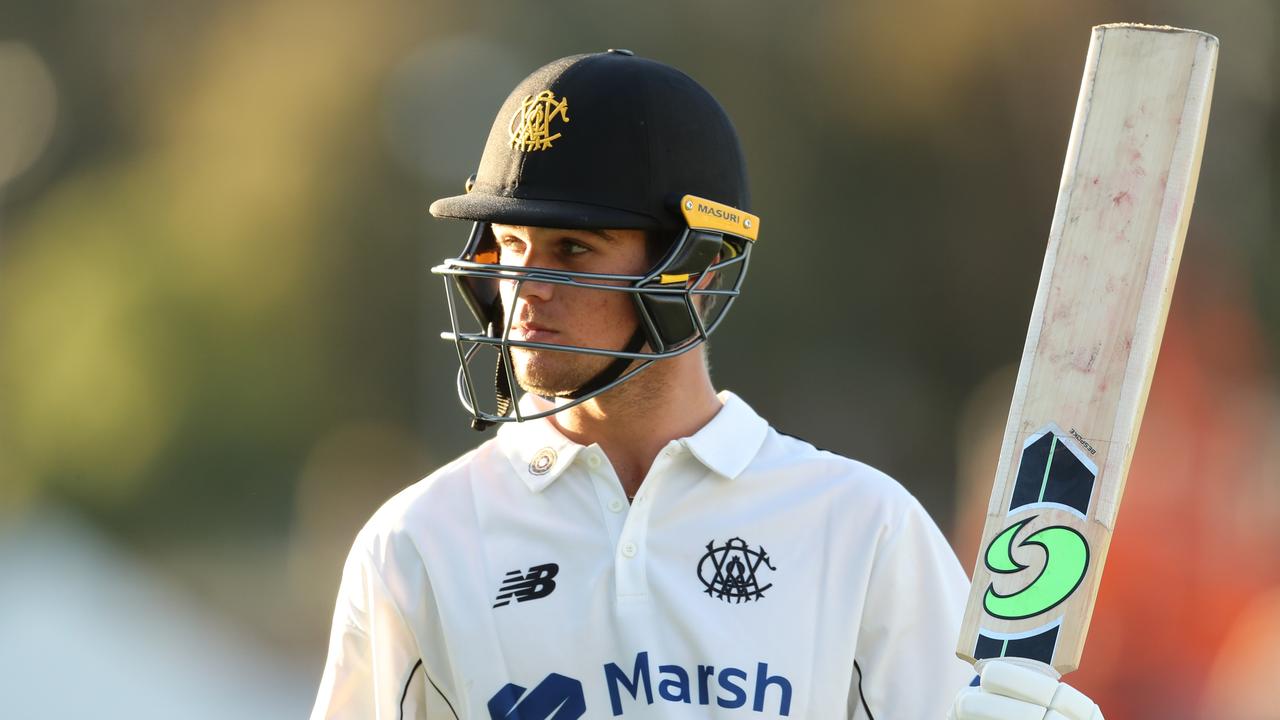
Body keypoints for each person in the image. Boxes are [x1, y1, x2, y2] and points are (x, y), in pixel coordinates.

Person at [311, 49, 1104, 719]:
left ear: (696, 270)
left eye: (573, 248)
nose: (527, 285)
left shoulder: (860, 531)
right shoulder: (416, 543)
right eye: (513, 244)